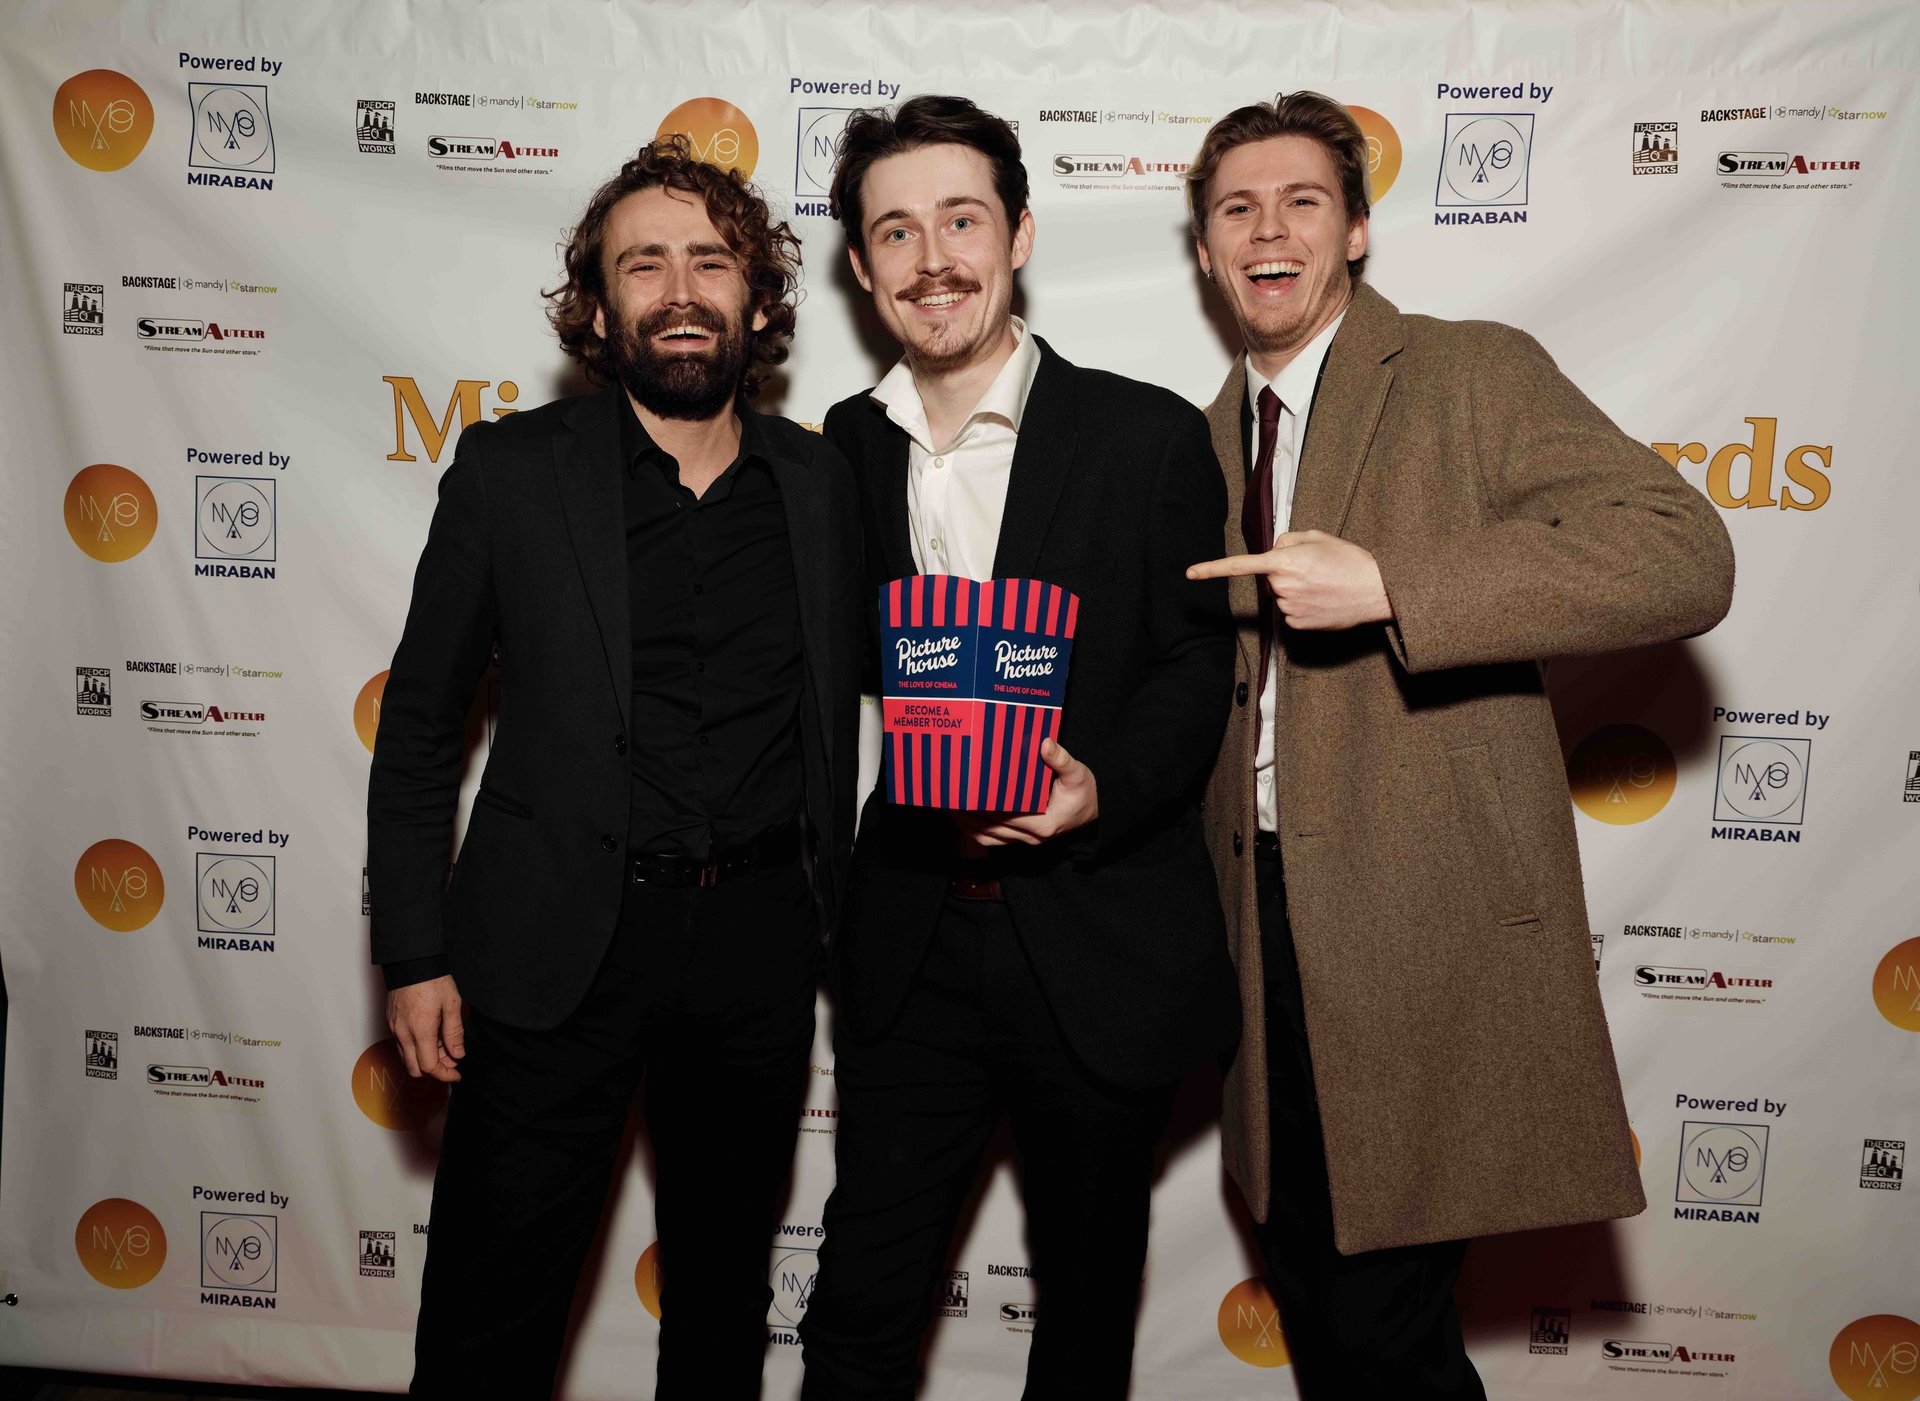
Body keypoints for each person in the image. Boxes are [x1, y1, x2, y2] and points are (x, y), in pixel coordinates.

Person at [1182, 92, 1736, 1398]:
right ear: (1204, 248)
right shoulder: (1195, 441)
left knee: (1374, 1318)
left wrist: (1391, 585)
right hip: (1257, 938)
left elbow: (1682, 553)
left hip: (1420, 925)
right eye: (1237, 209)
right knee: (1327, 1300)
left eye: (1302, 201)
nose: (1269, 231)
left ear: (1359, 229)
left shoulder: (1466, 370)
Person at [366, 134, 863, 1400]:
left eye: (713, 261)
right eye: (646, 264)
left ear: (759, 299)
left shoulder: (821, 485)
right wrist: (416, 949)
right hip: (550, 949)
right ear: (598, 305)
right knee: (493, 1310)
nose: (682, 290)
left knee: (719, 1309)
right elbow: (421, 722)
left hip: (756, 948)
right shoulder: (511, 476)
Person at [797, 95, 1240, 1399]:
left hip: (1093, 938)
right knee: (859, 1308)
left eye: (961, 221)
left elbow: (1195, 660)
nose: (931, 258)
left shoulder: (1146, 435)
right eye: (896, 230)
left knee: (1088, 1315)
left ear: (1020, 233)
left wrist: (1107, 783)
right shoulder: (843, 449)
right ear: (864, 267)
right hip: (914, 939)